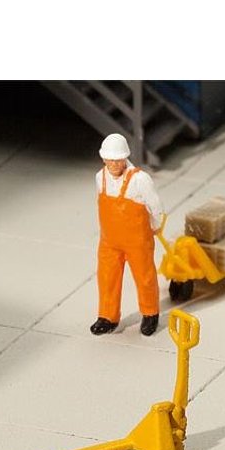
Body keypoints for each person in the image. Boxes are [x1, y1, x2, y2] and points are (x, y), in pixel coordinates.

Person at [90, 133, 162, 337]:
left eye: (118, 160)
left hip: (137, 241)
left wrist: (155, 226)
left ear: (125, 158)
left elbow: (156, 207)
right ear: (103, 158)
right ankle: (107, 317)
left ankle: (150, 313)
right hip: (109, 241)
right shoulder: (100, 178)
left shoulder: (140, 180)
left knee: (144, 277)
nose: (113, 164)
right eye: (109, 159)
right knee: (107, 278)